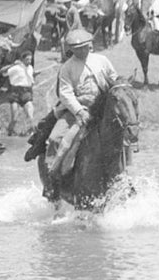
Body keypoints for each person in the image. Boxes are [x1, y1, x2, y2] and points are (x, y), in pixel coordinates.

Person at [38, 29, 119, 200]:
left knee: (123, 134)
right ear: (71, 49)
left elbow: (114, 79)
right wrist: (79, 111)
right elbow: (66, 93)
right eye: (76, 48)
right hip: (75, 111)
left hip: (102, 108)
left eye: (83, 47)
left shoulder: (102, 60)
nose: (81, 51)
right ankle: (53, 178)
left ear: (89, 45)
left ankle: (123, 177)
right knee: (55, 139)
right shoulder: (67, 68)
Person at [3, 50, 39, 136]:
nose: (29, 62)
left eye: (30, 60)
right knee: (14, 117)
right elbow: (3, 73)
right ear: (22, 59)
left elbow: (30, 79)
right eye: (27, 59)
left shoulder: (30, 68)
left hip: (26, 92)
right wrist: (13, 65)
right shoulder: (16, 68)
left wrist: (35, 75)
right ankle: (10, 131)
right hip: (15, 92)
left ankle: (30, 132)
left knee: (30, 116)